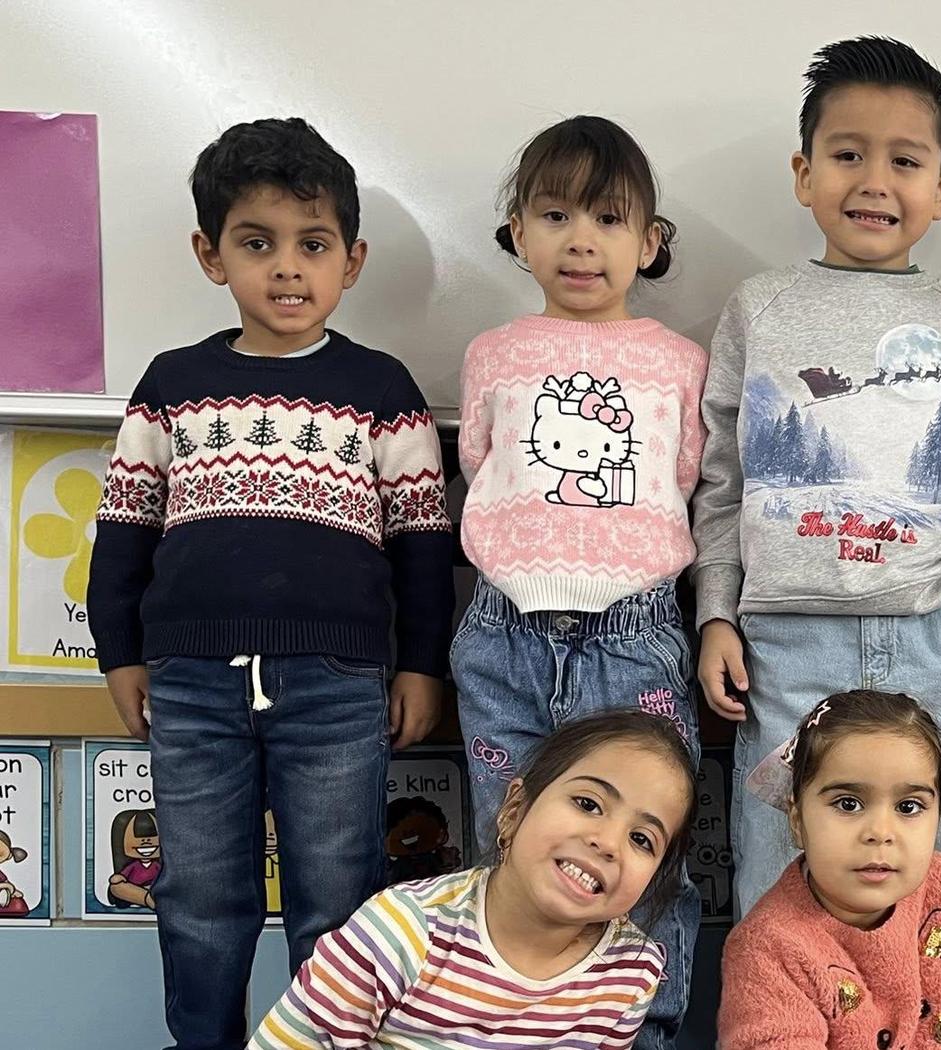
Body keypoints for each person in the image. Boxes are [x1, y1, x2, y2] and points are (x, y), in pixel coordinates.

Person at [87, 117, 452, 1050]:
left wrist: (420, 666)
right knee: (202, 898)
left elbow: (421, 546)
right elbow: (123, 535)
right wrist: (120, 657)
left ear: (352, 260)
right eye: (258, 244)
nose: (288, 270)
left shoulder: (382, 388)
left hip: (337, 688)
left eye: (313, 245)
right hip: (191, 685)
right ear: (212, 256)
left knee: (336, 899)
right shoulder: (172, 384)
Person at [691, 36, 941, 914]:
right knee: (776, 883)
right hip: (785, 646)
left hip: (932, 642)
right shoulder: (760, 308)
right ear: (804, 173)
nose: (875, 181)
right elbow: (722, 473)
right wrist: (715, 609)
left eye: (905, 161)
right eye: (847, 155)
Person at [451, 114, 707, 1049]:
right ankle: (512, 1028)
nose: (581, 240)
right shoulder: (491, 353)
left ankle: (645, 1030)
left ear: (650, 241)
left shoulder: (681, 363)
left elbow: (683, 481)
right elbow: (479, 464)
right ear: (518, 232)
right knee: (509, 846)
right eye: (554, 215)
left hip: (631, 634)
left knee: (642, 855)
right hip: (503, 630)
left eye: (608, 218)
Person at [250, 711, 697, 1050]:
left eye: (642, 838)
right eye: (588, 803)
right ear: (515, 809)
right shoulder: (400, 930)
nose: (608, 842)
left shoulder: (631, 970)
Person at [718, 690, 941, 1048]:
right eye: (848, 804)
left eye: (909, 807)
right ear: (797, 820)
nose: (880, 832)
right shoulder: (766, 948)